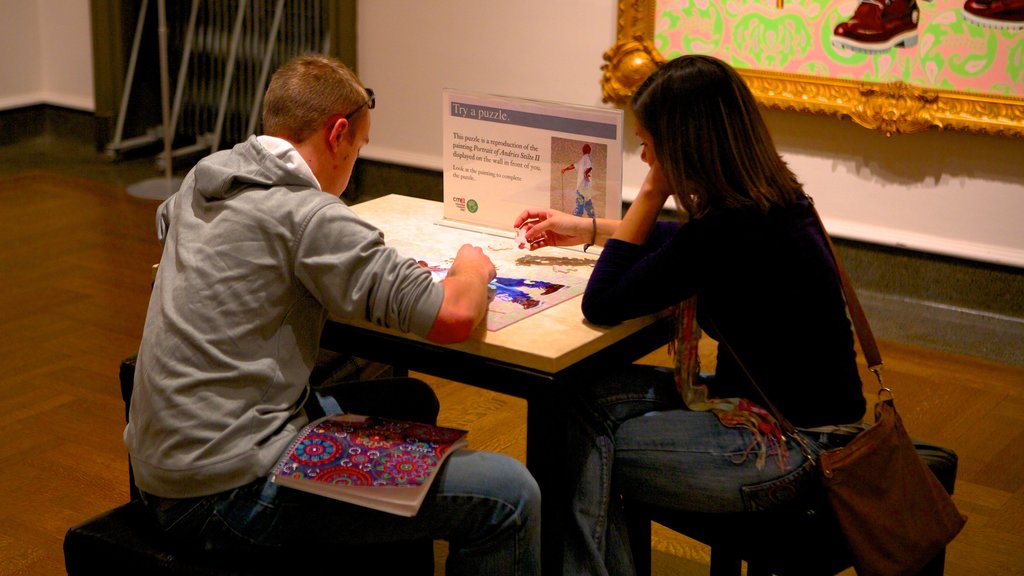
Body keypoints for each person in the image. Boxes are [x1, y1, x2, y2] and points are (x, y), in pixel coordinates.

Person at [124, 54, 541, 576]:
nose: (355, 164)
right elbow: (455, 315)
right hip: (232, 491)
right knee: (510, 494)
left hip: (161, 468)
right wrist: (471, 268)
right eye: (360, 149)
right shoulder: (308, 215)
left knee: (409, 398)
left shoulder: (203, 181)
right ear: (338, 133)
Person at [514, 54, 867, 575]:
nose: (645, 158)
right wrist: (589, 228)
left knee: (578, 451)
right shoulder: (772, 204)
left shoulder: (729, 230)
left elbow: (604, 302)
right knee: (573, 403)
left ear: (679, 147)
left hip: (791, 446)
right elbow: (681, 246)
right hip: (787, 414)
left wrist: (656, 188)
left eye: (648, 145)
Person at [561, 143, 595, 217]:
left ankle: (581, 216)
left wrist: (565, 169)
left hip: (582, 186)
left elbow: (589, 167)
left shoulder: (585, 159)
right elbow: (574, 165)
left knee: (582, 202)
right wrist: (565, 169)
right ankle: (590, 216)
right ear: (589, 151)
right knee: (586, 202)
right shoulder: (584, 159)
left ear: (583, 151)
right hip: (585, 186)